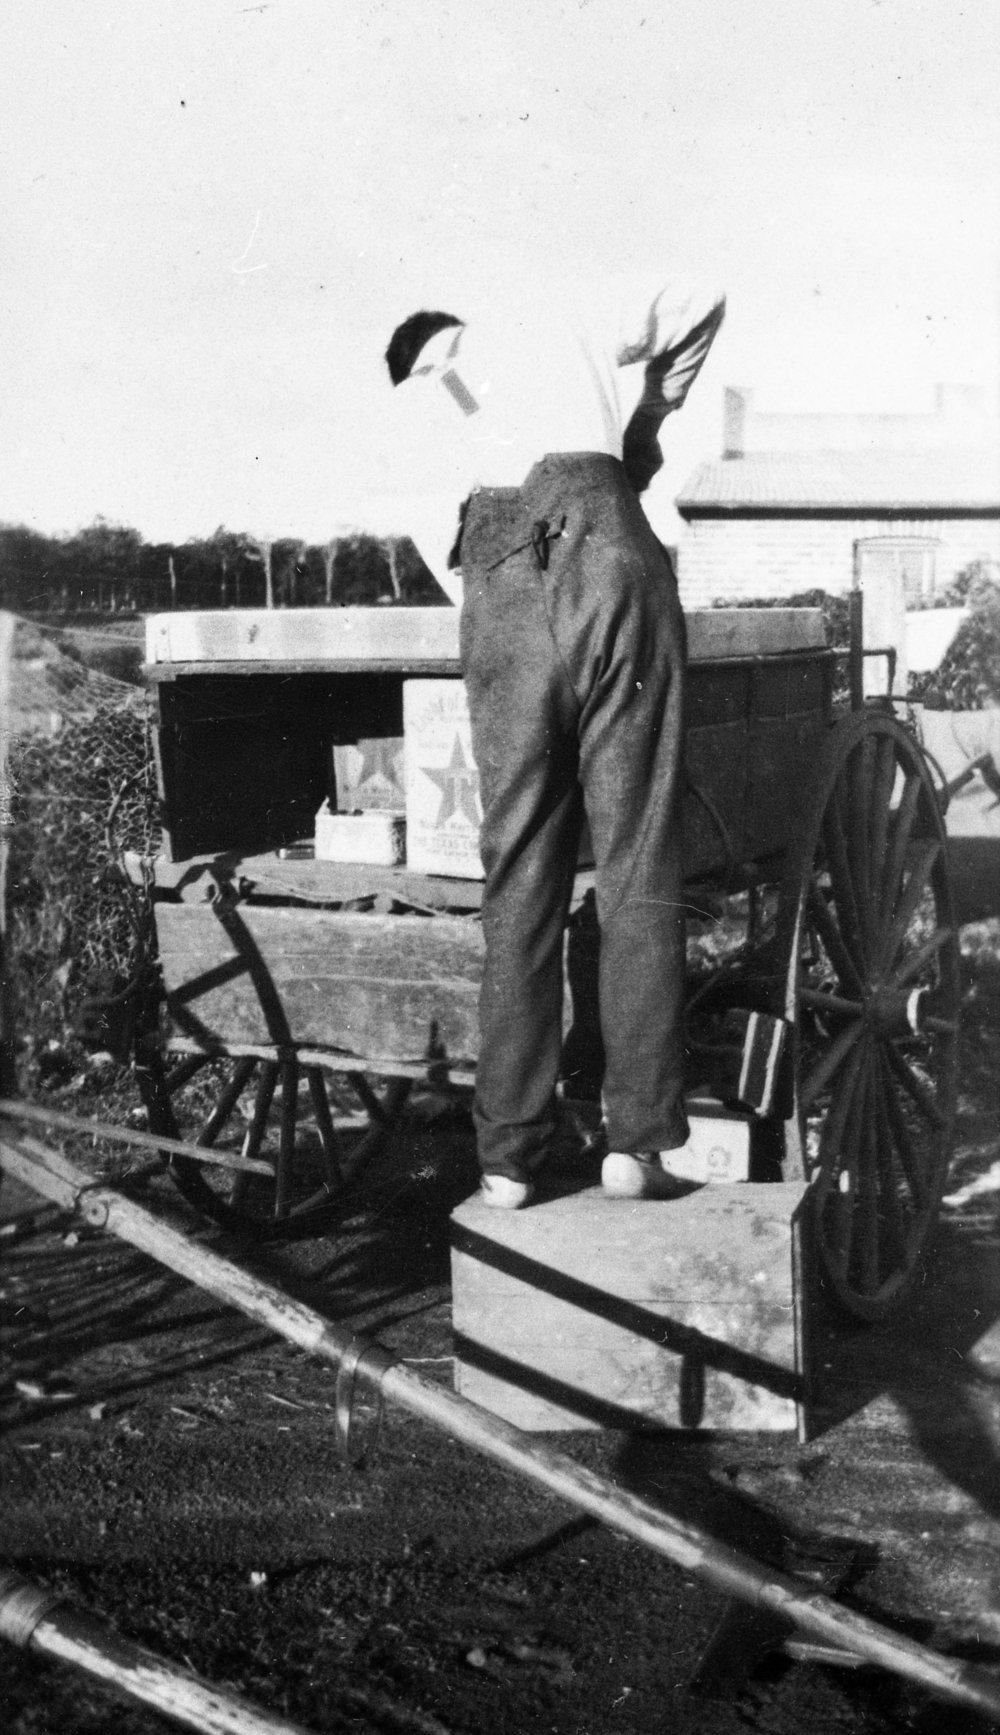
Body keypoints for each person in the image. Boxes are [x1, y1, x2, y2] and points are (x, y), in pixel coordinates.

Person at [384, 275, 725, 1208]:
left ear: (416, 358)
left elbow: (447, 556)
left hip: (498, 585)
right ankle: (637, 1144)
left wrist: (509, 617)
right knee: (638, 858)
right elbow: (702, 295)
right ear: (459, 320)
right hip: (611, 550)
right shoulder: (549, 312)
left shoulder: (423, 407)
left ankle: (505, 1161)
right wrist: (648, 420)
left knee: (521, 873)